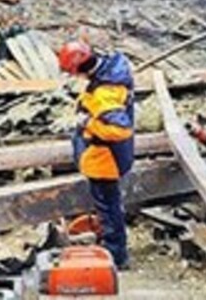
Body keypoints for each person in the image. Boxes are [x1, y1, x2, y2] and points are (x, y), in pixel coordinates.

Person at [58, 40, 135, 270]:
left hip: (106, 159)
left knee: (109, 209)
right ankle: (114, 249)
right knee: (109, 206)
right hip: (102, 156)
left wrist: (88, 123)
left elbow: (121, 129)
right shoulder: (107, 74)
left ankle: (115, 257)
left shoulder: (105, 92)